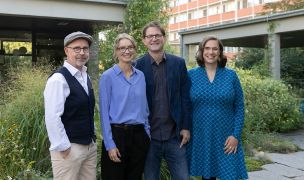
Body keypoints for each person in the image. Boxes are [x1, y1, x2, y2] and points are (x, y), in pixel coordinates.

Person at [135, 21, 192, 180]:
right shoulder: (137, 66)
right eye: (150, 36)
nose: (154, 39)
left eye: (157, 35)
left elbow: (185, 98)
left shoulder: (178, 63)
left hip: (174, 136)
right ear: (144, 40)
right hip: (149, 137)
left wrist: (186, 127)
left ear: (164, 38)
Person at [187, 36, 248, 180]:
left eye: (215, 48)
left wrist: (235, 135)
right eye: (207, 48)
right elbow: (184, 105)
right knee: (207, 177)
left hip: (227, 137)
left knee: (230, 175)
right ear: (201, 52)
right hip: (201, 135)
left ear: (220, 52)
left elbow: (239, 107)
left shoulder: (231, 76)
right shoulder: (191, 75)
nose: (211, 52)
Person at [44, 31, 97, 180]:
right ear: (66, 50)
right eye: (77, 48)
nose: (82, 53)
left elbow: (87, 110)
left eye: (85, 49)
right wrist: (64, 146)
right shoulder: (58, 79)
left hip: (89, 147)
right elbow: (52, 117)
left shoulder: (85, 76)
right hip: (69, 149)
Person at [99, 33, 150, 180]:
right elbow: (103, 113)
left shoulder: (141, 76)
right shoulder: (108, 76)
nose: (126, 51)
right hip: (117, 136)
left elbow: (144, 107)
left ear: (135, 49)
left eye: (130, 47)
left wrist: (147, 134)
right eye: (122, 48)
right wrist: (109, 144)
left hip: (139, 137)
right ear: (116, 51)